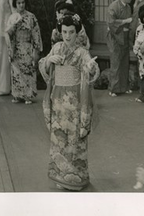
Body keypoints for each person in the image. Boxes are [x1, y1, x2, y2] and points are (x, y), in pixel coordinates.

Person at [38, 14, 100, 191]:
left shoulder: (81, 52)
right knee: (59, 137)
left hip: (74, 100)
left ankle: (76, 178)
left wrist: (90, 68)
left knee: (74, 138)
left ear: (77, 32)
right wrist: (49, 61)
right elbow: (44, 65)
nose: (67, 36)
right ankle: (60, 175)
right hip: (58, 99)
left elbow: (91, 65)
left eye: (71, 32)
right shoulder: (56, 48)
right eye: (64, 32)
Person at [5, 0, 43, 104]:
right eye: (18, 3)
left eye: (23, 2)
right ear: (15, 4)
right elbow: (8, 34)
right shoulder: (12, 17)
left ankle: (28, 95)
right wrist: (13, 26)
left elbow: (36, 33)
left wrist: (36, 50)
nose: (21, 5)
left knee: (27, 70)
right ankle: (17, 95)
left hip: (27, 46)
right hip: (16, 46)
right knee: (16, 71)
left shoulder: (31, 17)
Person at [106, 0, 133, 97]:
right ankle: (114, 88)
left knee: (124, 62)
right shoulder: (113, 6)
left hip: (125, 36)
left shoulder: (128, 7)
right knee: (116, 62)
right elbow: (111, 23)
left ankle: (124, 86)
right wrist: (124, 21)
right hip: (115, 36)